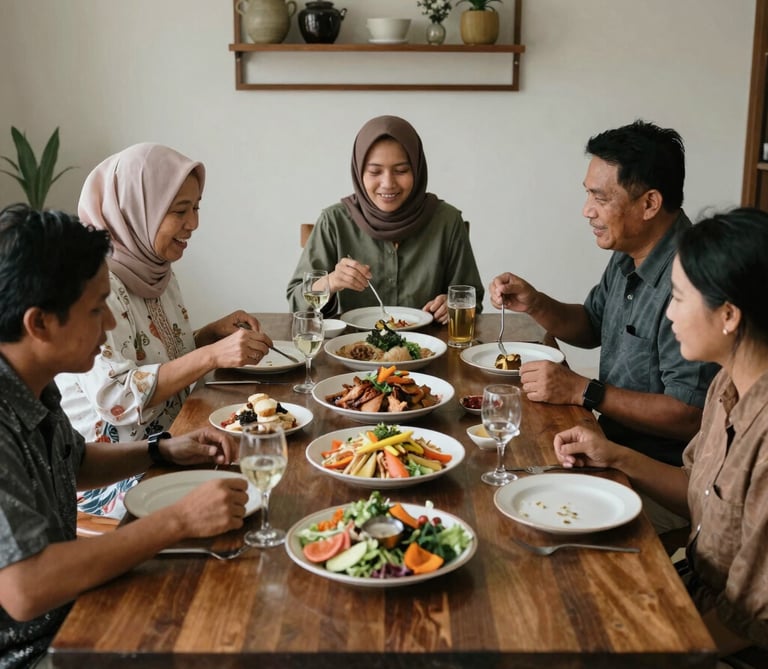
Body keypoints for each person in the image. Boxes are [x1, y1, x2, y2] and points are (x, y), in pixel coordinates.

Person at [0, 204, 248, 669]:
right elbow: (25, 589)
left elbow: (73, 463)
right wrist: (179, 520)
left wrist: (162, 450)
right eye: (97, 309)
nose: (110, 324)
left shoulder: (30, 378)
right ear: (39, 323)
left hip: (72, 609)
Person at [553, 208, 768, 663]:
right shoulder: (728, 385)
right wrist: (615, 456)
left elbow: (746, 620)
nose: (668, 315)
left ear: (729, 314)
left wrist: (649, 647)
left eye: (678, 298)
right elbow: (699, 493)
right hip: (693, 596)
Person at [489, 121, 718, 531]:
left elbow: (689, 413)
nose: (587, 210)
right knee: (501, 482)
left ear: (649, 204)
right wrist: (536, 303)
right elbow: (593, 325)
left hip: (658, 476)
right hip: (605, 446)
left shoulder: (691, 275)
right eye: (587, 193)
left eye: (600, 197)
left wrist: (583, 390)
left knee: (519, 514)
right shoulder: (630, 250)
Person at [55, 143, 272, 519]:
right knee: (253, 485)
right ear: (137, 211)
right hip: (107, 475)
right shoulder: (92, 286)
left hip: (171, 441)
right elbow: (116, 397)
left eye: (197, 207)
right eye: (179, 211)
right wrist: (211, 356)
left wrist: (210, 335)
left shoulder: (155, 270)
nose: (194, 223)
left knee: (264, 456)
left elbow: (160, 357)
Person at [286, 115, 484, 325]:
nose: (388, 183)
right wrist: (330, 282)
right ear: (359, 172)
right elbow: (296, 304)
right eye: (375, 171)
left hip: (430, 350)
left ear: (417, 170)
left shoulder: (447, 220)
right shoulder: (334, 221)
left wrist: (451, 304)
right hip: (349, 349)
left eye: (401, 171)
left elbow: (472, 301)